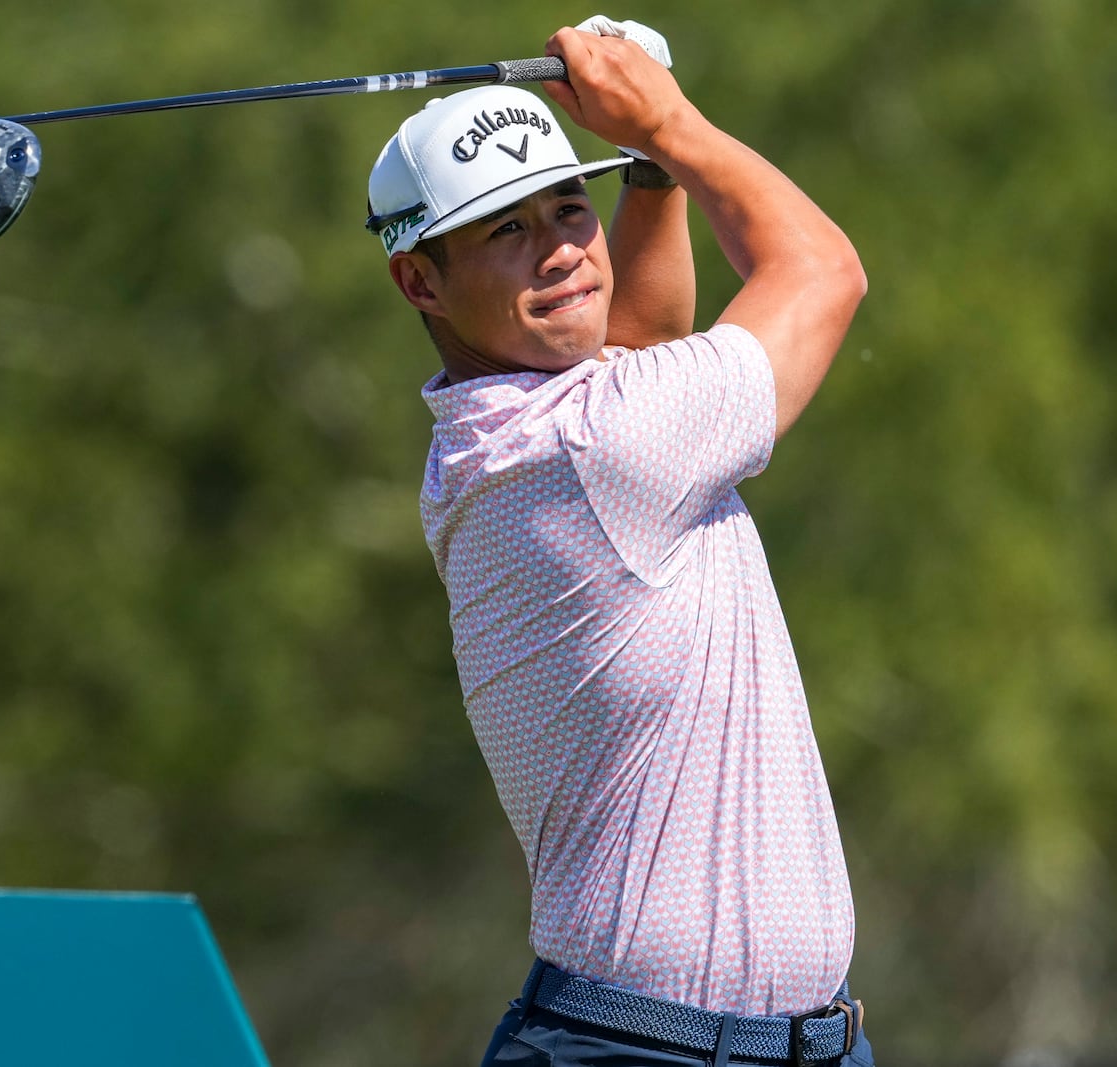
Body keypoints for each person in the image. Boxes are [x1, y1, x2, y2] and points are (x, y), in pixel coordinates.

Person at [365, 16, 871, 1067]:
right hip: (642, 1050)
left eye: (570, 208)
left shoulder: (507, 432)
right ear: (419, 281)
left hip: (759, 1045)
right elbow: (823, 272)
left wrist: (649, 173)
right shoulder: (595, 447)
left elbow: (634, 334)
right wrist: (667, 123)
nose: (561, 251)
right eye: (506, 230)